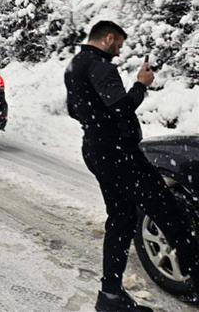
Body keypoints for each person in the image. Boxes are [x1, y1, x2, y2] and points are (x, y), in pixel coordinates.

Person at [65, 20, 198, 312]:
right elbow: (121, 107)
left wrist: (97, 123)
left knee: (121, 220)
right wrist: (141, 85)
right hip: (119, 154)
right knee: (171, 215)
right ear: (109, 37)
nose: (119, 50)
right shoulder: (101, 65)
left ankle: (110, 296)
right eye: (119, 44)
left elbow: (74, 110)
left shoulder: (74, 65)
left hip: (96, 150)